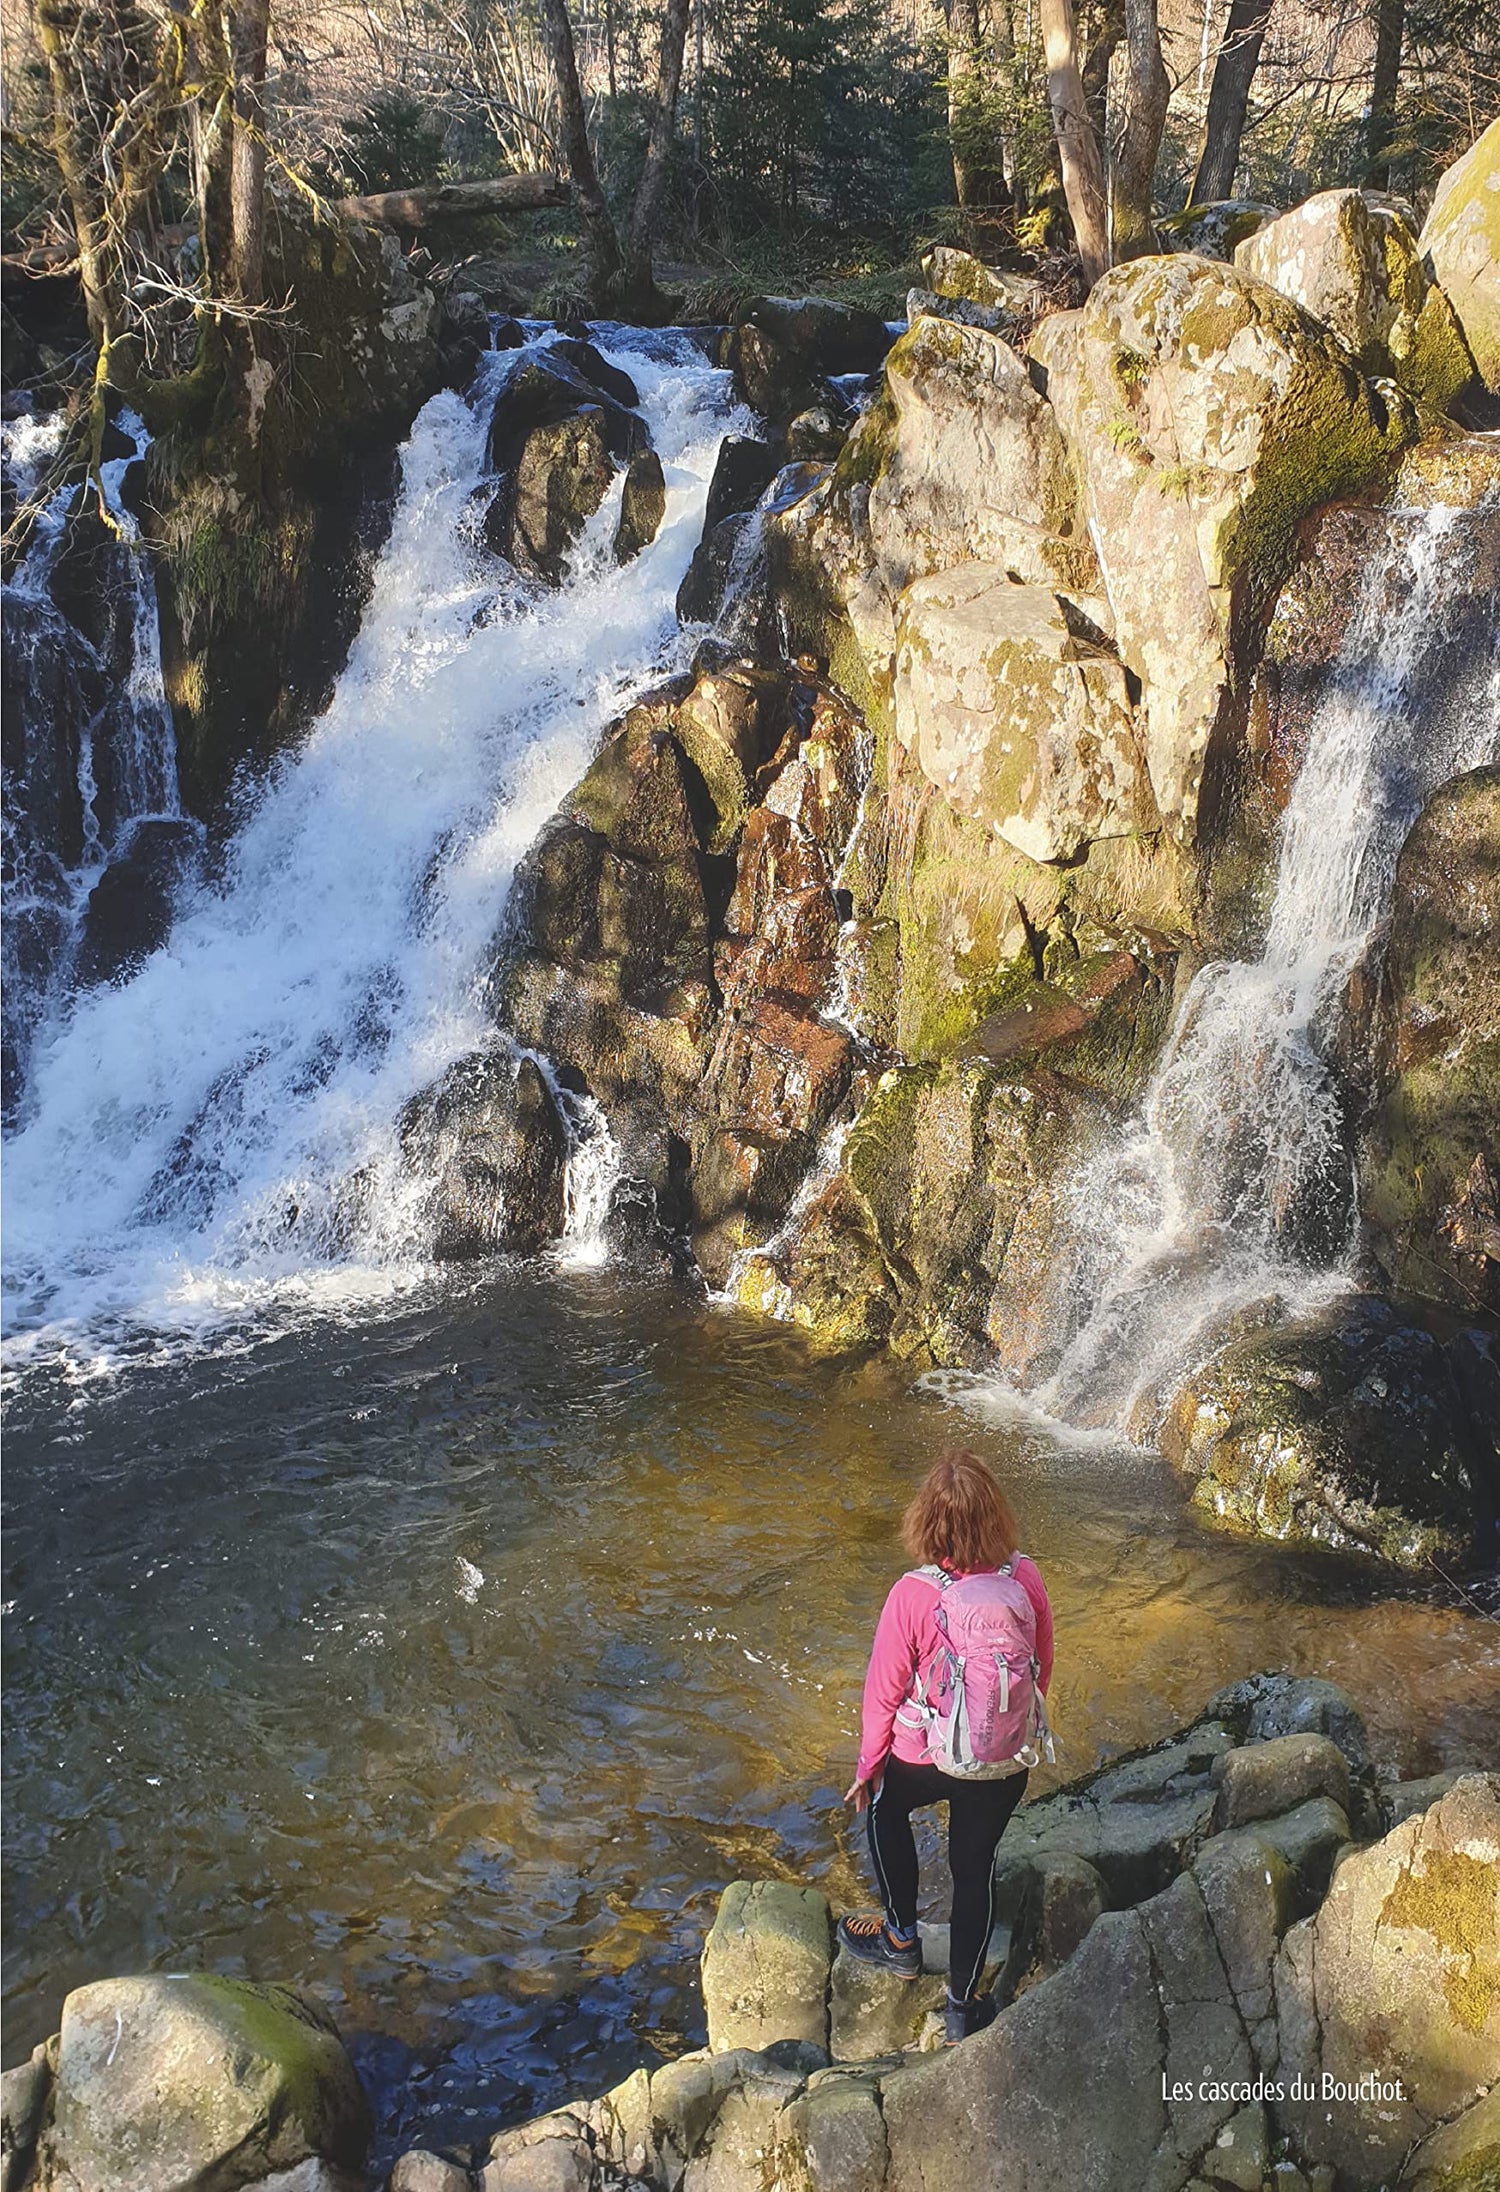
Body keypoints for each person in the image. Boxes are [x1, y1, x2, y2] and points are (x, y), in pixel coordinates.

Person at [838, 1448, 1054, 2045]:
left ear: (927, 1522)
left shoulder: (912, 1594)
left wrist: (868, 1766)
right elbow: (1041, 1670)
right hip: (1002, 1763)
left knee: (884, 1810)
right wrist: (1001, 1733)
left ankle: (901, 1940)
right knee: (973, 1872)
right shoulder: (1024, 1577)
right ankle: (961, 2009)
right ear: (997, 1516)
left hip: (925, 1756)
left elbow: (882, 1692)